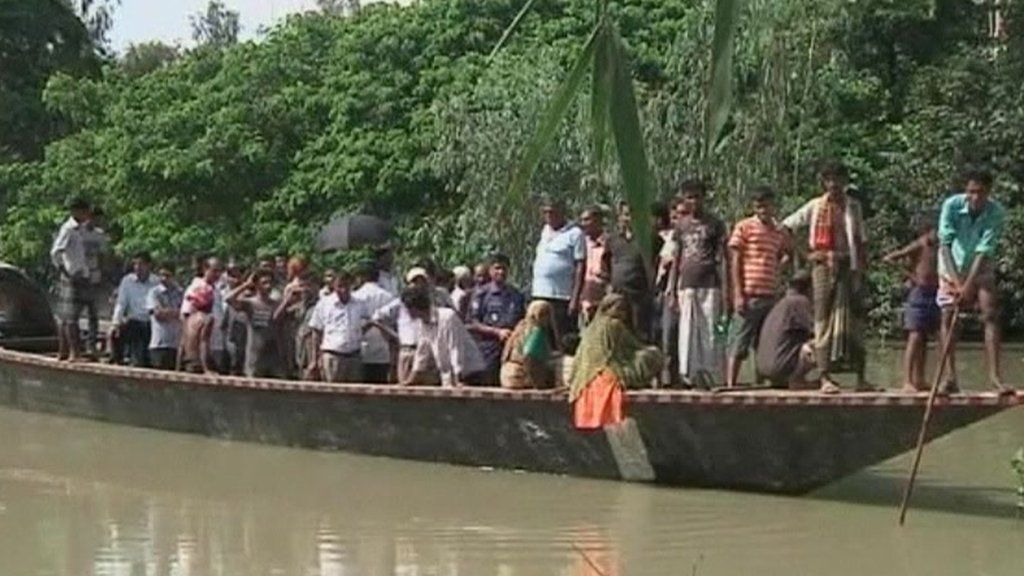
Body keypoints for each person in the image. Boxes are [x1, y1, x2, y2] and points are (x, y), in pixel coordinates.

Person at [781, 162, 869, 394]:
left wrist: (861, 270)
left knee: (855, 320)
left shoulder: (853, 207)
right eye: (829, 180)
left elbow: (860, 241)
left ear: (844, 181)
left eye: (838, 180)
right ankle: (824, 377)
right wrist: (806, 255)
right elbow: (786, 227)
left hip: (848, 267)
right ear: (824, 182)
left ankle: (861, 378)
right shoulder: (816, 206)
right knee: (822, 321)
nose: (833, 185)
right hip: (822, 267)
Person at [937, 169, 1010, 393]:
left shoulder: (996, 212)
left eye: (980, 192)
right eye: (971, 192)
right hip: (952, 263)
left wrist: (968, 285)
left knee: (990, 314)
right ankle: (949, 377)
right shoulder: (951, 205)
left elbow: (983, 251)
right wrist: (958, 284)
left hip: (980, 264)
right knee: (949, 316)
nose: (975, 197)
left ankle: (995, 378)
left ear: (988, 192)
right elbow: (945, 243)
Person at [569, 294, 663, 429]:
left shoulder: (590, 328)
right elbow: (635, 347)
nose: (623, 314)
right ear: (608, 308)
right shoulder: (614, 325)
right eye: (619, 309)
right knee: (651, 354)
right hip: (609, 373)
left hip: (584, 378)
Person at [726, 186, 789, 387]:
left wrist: (780, 265)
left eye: (765, 205)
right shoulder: (744, 227)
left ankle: (760, 383)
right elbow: (735, 260)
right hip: (749, 292)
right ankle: (730, 384)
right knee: (739, 339)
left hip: (770, 293)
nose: (762, 210)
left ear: (772, 206)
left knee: (765, 342)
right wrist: (737, 293)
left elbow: (788, 250)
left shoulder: (777, 231)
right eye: (758, 206)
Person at [672, 180, 729, 388]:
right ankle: (690, 375)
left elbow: (723, 258)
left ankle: (711, 374)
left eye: (697, 197)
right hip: (686, 283)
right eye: (689, 197)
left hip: (709, 282)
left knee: (709, 329)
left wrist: (726, 290)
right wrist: (671, 289)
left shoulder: (715, 224)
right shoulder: (681, 226)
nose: (693, 201)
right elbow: (676, 257)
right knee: (687, 329)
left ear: (704, 198)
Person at [882, 215, 940, 392]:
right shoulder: (920, 244)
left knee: (924, 339)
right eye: (935, 232)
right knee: (914, 337)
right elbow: (890, 259)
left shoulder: (940, 247)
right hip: (919, 293)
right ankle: (907, 380)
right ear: (928, 231)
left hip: (934, 293)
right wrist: (912, 277)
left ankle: (919, 379)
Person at [401, 285, 487, 387]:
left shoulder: (447, 317)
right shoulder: (422, 323)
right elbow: (422, 354)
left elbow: (455, 348)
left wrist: (458, 379)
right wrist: (410, 380)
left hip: (470, 373)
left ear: (414, 308)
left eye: (407, 308)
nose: (406, 312)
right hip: (449, 376)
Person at [531, 197, 586, 345]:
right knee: (540, 339)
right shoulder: (544, 231)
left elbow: (580, 267)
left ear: (561, 212)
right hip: (540, 294)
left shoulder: (575, 233)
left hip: (561, 297)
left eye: (552, 212)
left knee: (563, 340)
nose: (549, 216)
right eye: (546, 212)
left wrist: (574, 299)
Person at [467, 253, 527, 385]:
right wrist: (497, 332)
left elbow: (523, 321)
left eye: (504, 268)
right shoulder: (481, 294)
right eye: (497, 268)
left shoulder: (517, 295)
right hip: (488, 348)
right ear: (490, 270)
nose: (501, 272)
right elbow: (473, 323)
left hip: (512, 348)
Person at [756, 271, 817, 389]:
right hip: (780, 366)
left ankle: (784, 379)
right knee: (821, 342)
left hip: (764, 368)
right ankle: (798, 380)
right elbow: (816, 329)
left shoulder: (780, 303)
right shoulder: (799, 301)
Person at [308, 271, 371, 383]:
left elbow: (368, 322)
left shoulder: (360, 304)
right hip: (333, 356)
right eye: (340, 286)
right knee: (333, 394)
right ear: (334, 286)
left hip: (354, 356)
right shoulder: (324, 304)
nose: (343, 290)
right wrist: (314, 359)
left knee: (354, 395)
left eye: (346, 286)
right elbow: (316, 331)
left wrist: (358, 333)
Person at [50, 197, 92, 362]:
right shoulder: (68, 229)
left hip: (80, 276)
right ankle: (75, 353)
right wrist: (65, 271)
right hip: (71, 277)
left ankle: (64, 352)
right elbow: (56, 252)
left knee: (67, 316)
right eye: (85, 211)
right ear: (77, 211)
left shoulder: (80, 229)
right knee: (71, 317)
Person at [225, 269, 288, 379]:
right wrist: (246, 285)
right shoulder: (250, 303)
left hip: (273, 356)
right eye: (264, 283)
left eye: (270, 283)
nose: (268, 286)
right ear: (257, 285)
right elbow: (228, 299)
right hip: (254, 356)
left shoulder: (275, 304)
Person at [605, 201, 654, 340]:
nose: (630, 218)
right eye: (626, 215)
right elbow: (607, 262)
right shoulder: (612, 239)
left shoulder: (648, 237)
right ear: (620, 217)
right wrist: (609, 283)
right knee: (618, 332)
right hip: (618, 294)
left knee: (639, 333)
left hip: (639, 295)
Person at [111, 253, 159, 367]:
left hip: (150, 322)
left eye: (141, 264)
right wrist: (116, 323)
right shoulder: (127, 281)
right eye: (135, 264)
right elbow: (121, 303)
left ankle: (140, 360)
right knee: (115, 333)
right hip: (134, 321)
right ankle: (118, 362)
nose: (137, 267)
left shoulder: (156, 282)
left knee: (141, 358)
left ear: (149, 265)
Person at [182, 258, 227, 373]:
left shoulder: (216, 289)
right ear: (205, 269)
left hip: (217, 344)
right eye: (214, 271)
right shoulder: (197, 288)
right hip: (199, 352)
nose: (217, 274)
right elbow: (185, 318)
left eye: (220, 271)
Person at [500, 300, 558, 389]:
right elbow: (529, 356)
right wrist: (539, 383)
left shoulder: (520, 327)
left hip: (506, 374)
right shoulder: (536, 331)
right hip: (519, 376)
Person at [353, 262, 395, 384]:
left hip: (362, 350)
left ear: (361, 277)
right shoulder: (388, 296)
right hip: (383, 351)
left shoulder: (356, 297)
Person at [81, 206, 110, 356]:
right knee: (75, 311)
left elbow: (103, 257)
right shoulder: (78, 232)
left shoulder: (100, 235)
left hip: (94, 277)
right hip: (79, 277)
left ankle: (91, 344)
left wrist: (103, 275)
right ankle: (76, 343)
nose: (95, 221)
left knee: (93, 312)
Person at [146, 264, 184, 371]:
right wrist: (174, 312)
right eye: (161, 275)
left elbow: (183, 313)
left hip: (175, 344)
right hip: (159, 344)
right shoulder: (154, 292)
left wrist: (168, 312)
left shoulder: (180, 293)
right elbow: (158, 314)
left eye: (167, 275)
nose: (163, 278)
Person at [579, 206, 609, 324]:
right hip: (584, 302)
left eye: (587, 220)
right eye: (582, 220)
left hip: (602, 301)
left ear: (598, 221)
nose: (583, 224)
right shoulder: (581, 243)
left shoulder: (609, 242)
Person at [180, 282, 217, 374]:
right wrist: (206, 369)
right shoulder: (207, 319)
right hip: (198, 363)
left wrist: (178, 369)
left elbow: (182, 344)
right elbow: (203, 343)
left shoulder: (189, 319)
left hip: (187, 362)